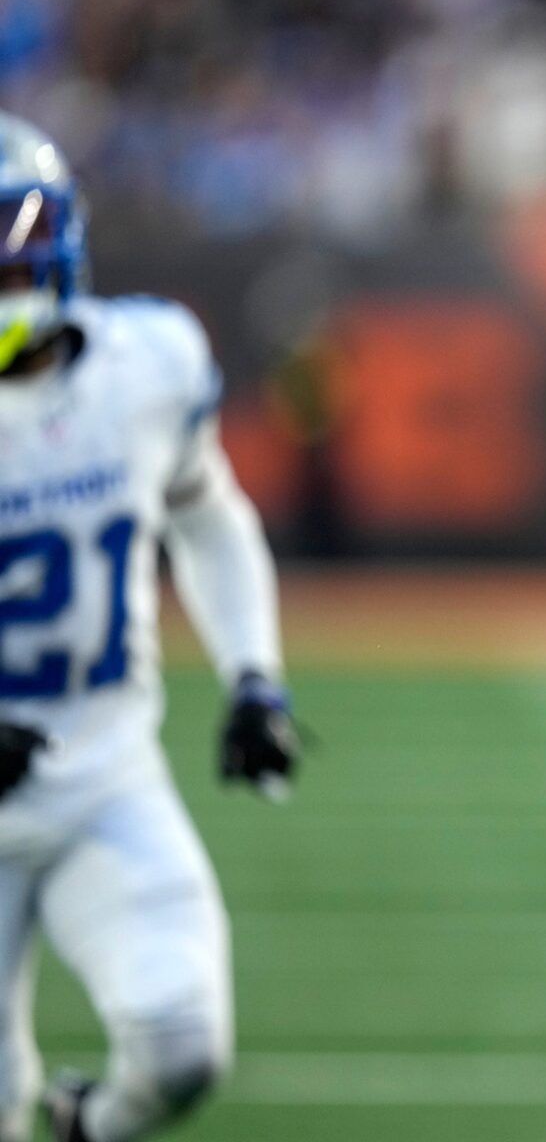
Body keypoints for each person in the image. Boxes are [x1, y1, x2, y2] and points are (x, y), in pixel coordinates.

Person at [0, 113, 298, 1142]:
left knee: (182, 1043)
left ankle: (91, 1124)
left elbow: (208, 513)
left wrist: (254, 676)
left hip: (99, 776)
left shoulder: (143, 366)